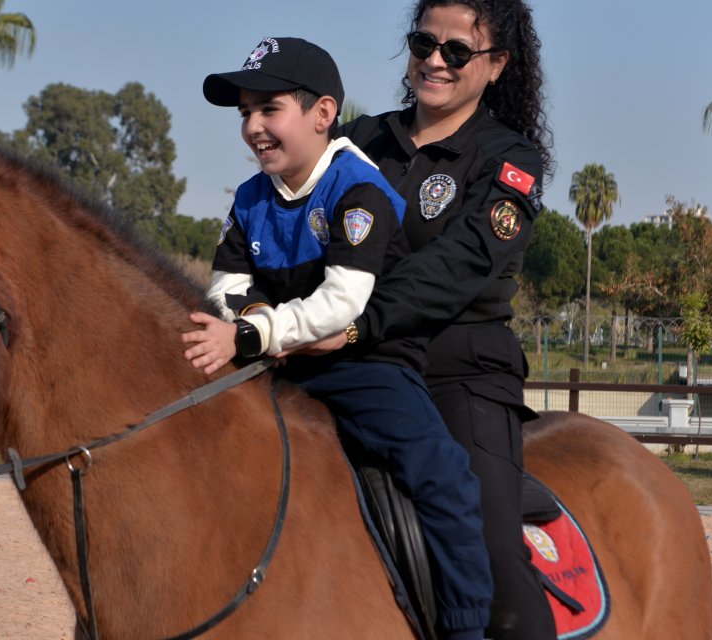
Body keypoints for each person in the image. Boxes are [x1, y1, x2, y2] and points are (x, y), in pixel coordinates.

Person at [181, 36, 492, 640]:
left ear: (322, 114)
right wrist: (254, 323)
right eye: (245, 113)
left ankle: (465, 625)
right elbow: (225, 283)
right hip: (276, 361)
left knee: (442, 472)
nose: (252, 127)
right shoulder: (250, 198)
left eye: (269, 110)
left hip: (364, 364)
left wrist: (250, 334)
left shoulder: (358, 188)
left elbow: (341, 303)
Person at [286, 2, 557, 638]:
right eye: (423, 43)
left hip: (457, 372)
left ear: (496, 67)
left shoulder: (508, 159)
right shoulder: (356, 140)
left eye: (457, 51)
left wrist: (351, 324)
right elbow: (296, 226)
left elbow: (459, 268)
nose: (435, 60)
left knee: (489, 549)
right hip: (345, 361)